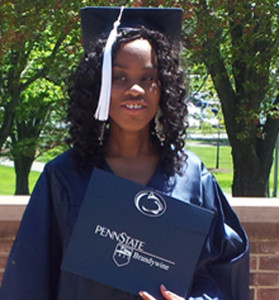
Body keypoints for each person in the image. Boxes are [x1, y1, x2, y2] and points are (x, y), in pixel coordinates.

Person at [0, 6, 249, 300]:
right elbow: (29, 281)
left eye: (148, 78)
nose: (135, 89)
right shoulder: (65, 178)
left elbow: (221, 273)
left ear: (164, 87)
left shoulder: (192, 178)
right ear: (98, 86)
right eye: (119, 77)